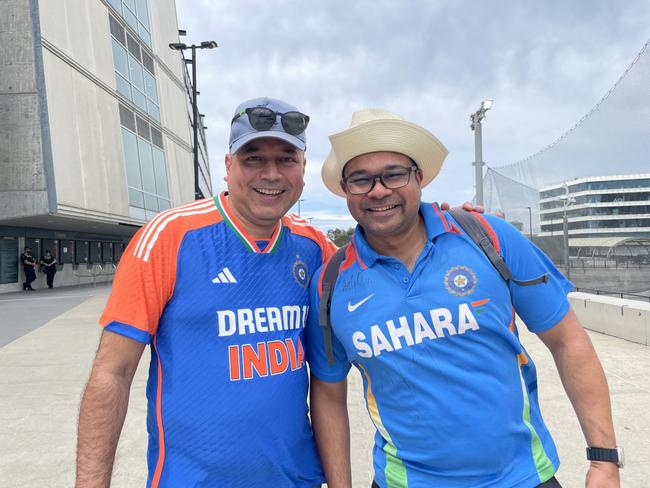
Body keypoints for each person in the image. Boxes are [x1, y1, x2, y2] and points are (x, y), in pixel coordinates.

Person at [305, 109, 621, 488]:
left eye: (394, 174)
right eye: (360, 179)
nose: (378, 190)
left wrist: (604, 461)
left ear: (419, 177)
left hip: (521, 478)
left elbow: (569, 342)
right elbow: (327, 392)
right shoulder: (331, 282)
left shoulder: (487, 236)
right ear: (345, 190)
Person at [76, 97, 336, 487]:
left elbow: (380, 279)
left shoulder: (315, 246)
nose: (272, 174)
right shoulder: (170, 237)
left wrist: (439, 223)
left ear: (303, 170)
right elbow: (113, 372)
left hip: (296, 478)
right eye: (253, 158)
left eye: (286, 159)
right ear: (228, 166)